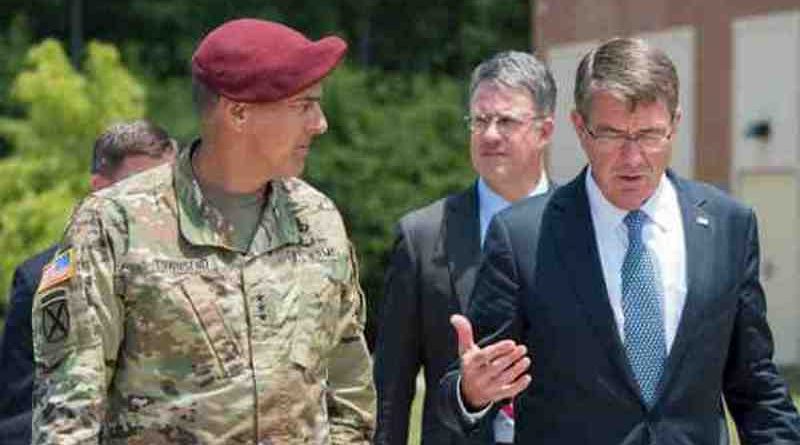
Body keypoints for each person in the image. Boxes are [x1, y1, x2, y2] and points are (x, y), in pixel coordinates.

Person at [438, 37, 800, 443]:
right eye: (611, 135)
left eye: (649, 135)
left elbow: (756, 387)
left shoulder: (728, 226)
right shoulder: (522, 236)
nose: (632, 159)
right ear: (579, 128)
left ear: (674, 124)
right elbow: (472, 382)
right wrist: (470, 392)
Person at [30, 18, 375, 444]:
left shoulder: (318, 219)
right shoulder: (113, 224)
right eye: (303, 104)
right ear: (238, 112)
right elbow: (68, 417)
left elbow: (350, 395)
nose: (319, 123)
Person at [374, 51, 556, 445]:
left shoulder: (584, 227)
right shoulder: (421, 237)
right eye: (479, 120)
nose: (489, 135)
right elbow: (391, 390)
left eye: (506, 121)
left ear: (545, 130)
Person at [0, 119, 176, 445]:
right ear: (99, 188)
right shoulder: (42, 280)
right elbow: (18, 415)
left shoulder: (207, 271)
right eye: (139, 190)